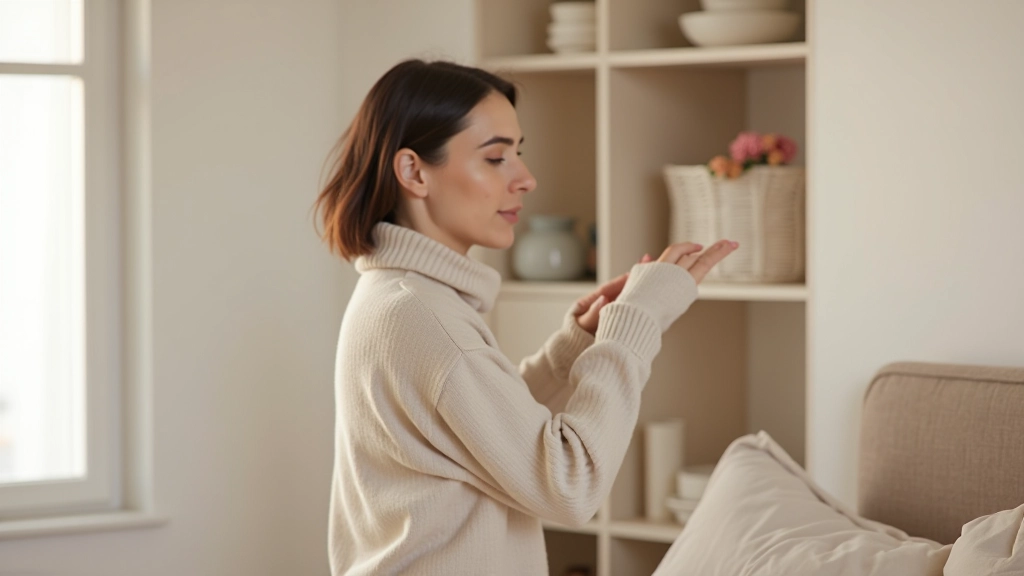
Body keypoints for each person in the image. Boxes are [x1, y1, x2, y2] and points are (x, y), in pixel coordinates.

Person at [314, 59, 738, 575]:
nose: (526, 179)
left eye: (519, 154)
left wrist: (574, 349)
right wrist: (636, 326)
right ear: (414, 172)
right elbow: (569, 485)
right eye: (496, 158)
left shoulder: (402, 299)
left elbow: (481, 435)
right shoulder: (424, 316)